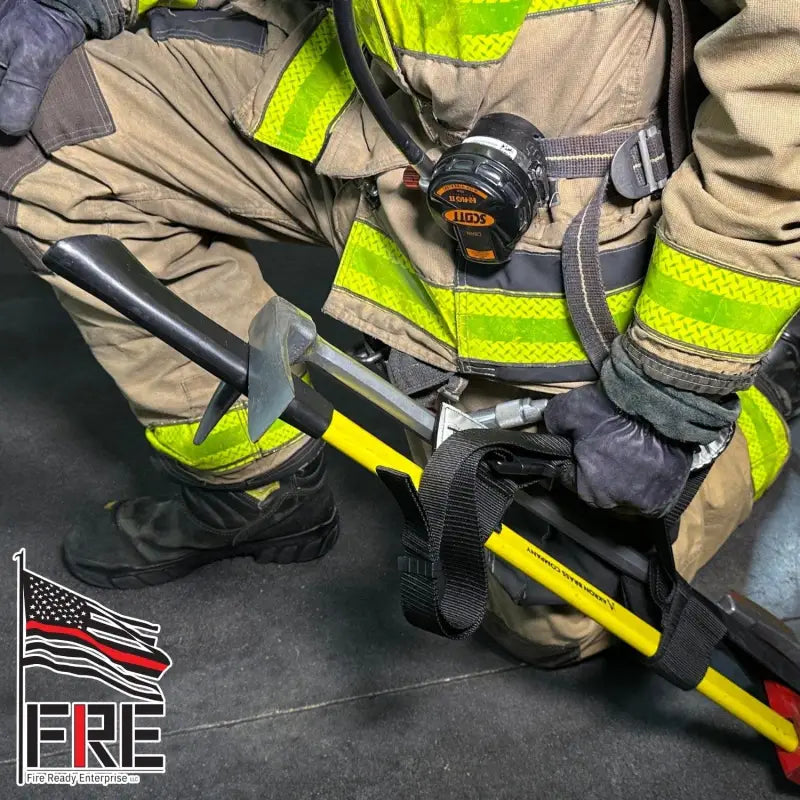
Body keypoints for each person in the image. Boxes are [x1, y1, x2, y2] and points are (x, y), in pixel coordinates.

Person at [1, 0, 798, 666]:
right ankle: (258, 486)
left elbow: (785, 73)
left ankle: (769, 376)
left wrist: (675, 380)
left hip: (568, 195)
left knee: (553, 615)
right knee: (48, 141)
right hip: (353, 97)